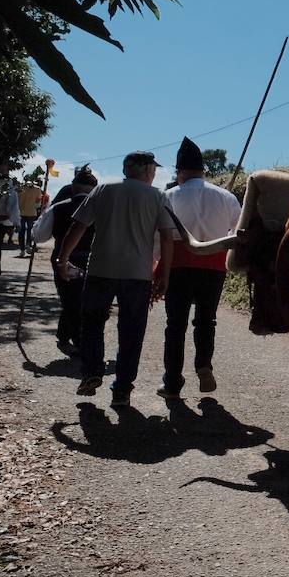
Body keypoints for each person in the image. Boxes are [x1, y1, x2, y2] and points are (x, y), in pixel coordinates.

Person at [58, 151, 176, 407]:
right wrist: (164, 274)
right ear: (146, 171)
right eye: (153, 169)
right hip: (137, 276)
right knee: (132, 332)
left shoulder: (102, 190)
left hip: (101, 270)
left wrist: (62, 259)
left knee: (91, 324)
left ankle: (91, 373)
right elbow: (167, 238)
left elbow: (78, 226)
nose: (155, 173)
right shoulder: (157, 196)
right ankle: (122, 389)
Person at [159, 137, 241, 400]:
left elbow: (157, 238)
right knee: (206, 321)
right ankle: (203, 365)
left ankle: (172, 383)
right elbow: (237, 231)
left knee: (175, 326)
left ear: (179, 172)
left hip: (179, 265)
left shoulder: (168, 196)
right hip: (214, 266)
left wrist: (156, 268)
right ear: (203, 170)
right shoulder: (226, 196)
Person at [32, 166, 98, 356]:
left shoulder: (58, 207)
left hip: (62, 258)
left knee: (69, 299)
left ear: (73, 187)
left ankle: (72, 337)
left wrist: (38, 221)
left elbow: (39, 236)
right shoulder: (103, 209)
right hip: (93, 259)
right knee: (82, 300)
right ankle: (74, 338)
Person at [17, 179, 42, 256]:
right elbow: (38, 203)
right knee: (29, 230)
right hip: (32, 212)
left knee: (21, 231)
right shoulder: (37, 189)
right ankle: (28, 244)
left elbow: (16, 200)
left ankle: (22, 249)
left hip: (21, 212)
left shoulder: (20, 188)